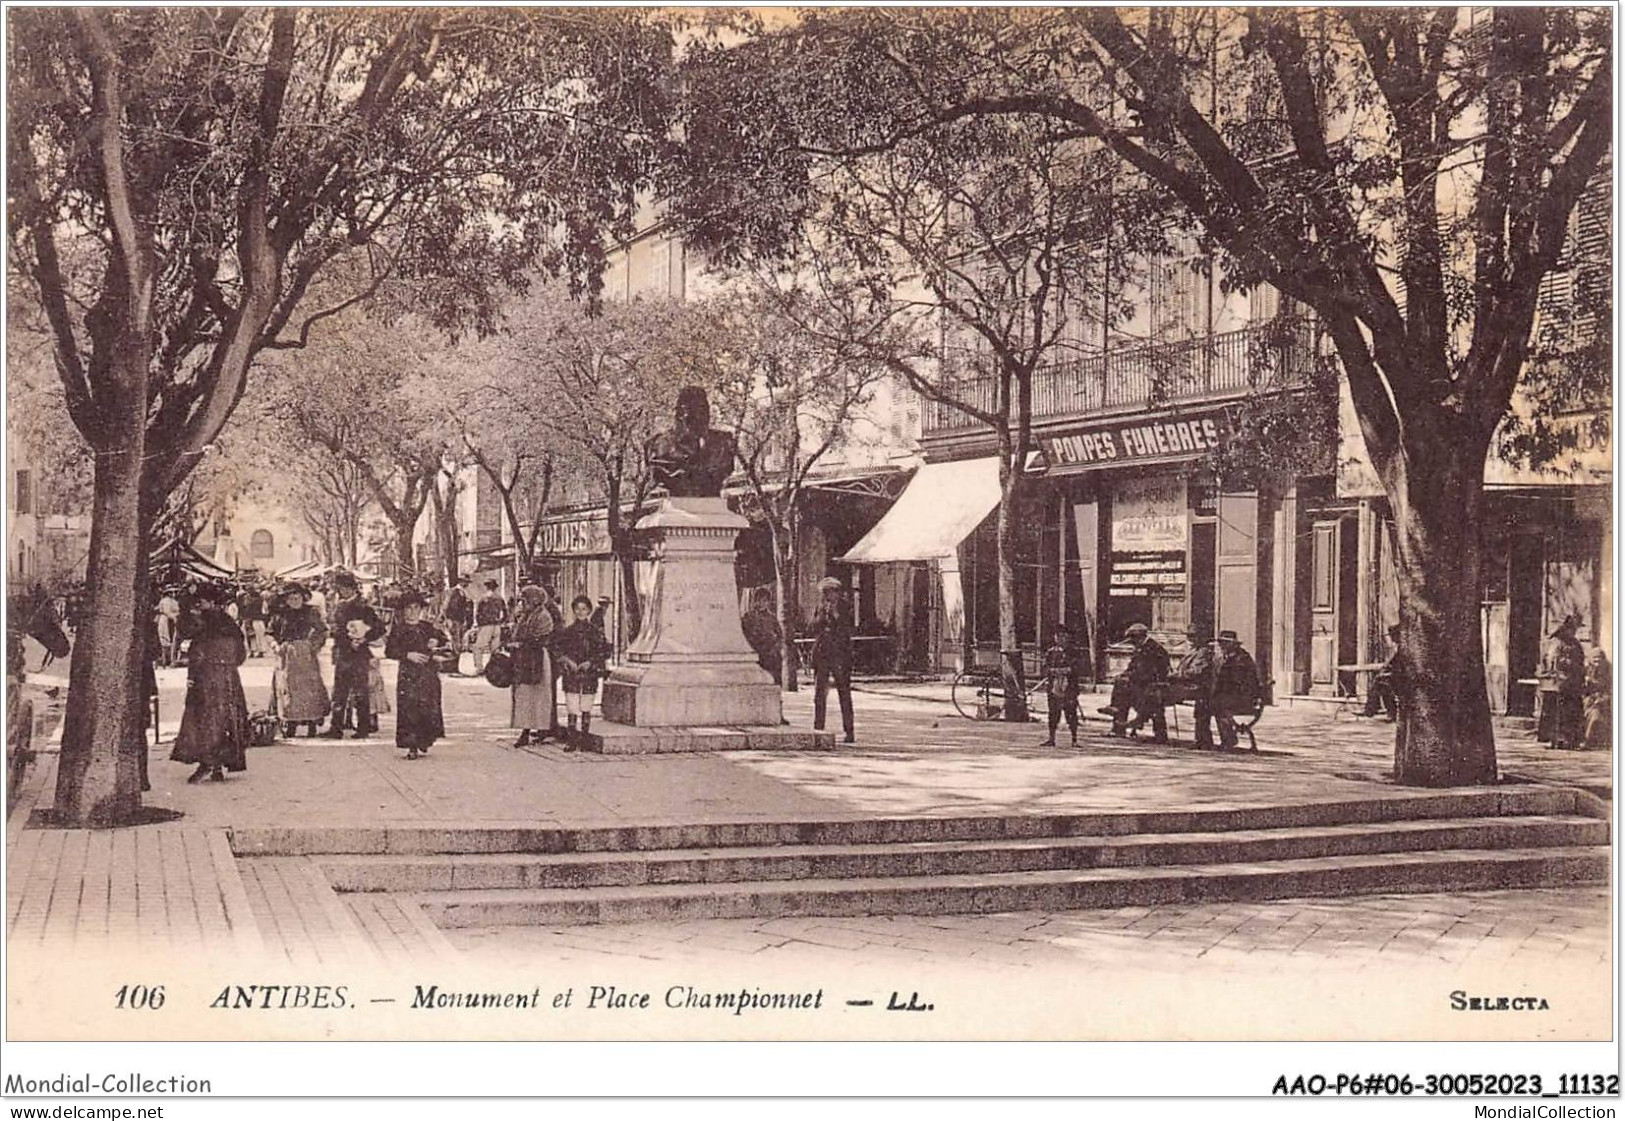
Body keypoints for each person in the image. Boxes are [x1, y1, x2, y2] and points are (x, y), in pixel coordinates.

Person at [169, 584, 249, 783]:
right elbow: (240, 655)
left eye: (202, 602)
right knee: (225, 719)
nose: (200, 605)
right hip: (228, 679)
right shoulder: (229, 623)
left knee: (205, 719)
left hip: (207, 678)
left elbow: (188, 638)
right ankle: (218, 765)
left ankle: (208, 762)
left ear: (211, 602)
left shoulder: (202, 622)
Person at [384, 593, 447, 760]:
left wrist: (436, 642)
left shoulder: (428, 627)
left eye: (416, 608)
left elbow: (444, 640)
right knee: (409, 708)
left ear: (421, 610)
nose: (412, 612)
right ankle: (411, 744)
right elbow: (390, 651)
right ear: (403, 611)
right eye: (409, 609)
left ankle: (424, 739)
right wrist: (407, 655)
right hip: (408, 674)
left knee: (427, 707)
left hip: (428, 674)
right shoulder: (399, 629)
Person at [323, 572, 383, 739]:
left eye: (346, 588)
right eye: (341, 588)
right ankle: (336, 727)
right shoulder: (339, 605)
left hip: (358, 653)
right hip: (343, 651)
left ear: (353, 588)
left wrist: (364, 638)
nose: (343, 591)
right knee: (339, 692)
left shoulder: (363, 607)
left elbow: (379, 628)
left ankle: (363, 728)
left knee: (360, 693)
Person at [553, 595, 612, 750]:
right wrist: (567, 661)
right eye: (577, 609)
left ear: (589, 611)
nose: (580, 612)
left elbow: (604, 651)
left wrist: (590, 662)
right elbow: (558, 650)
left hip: (589, 673)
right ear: (573, 611)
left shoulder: (595, 632)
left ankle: (584, 739)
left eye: (584, 609)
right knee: (572, 705)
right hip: (571, 673)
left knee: (586, 705)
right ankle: (572, 740)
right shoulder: (567, 632)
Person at [270, 585, 330, 737]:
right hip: (286, 656)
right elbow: (270, 633)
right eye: (290, 598)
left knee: (309, 689)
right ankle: (290, 724)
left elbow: (322, 631)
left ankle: (311, 723)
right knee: (287, 688)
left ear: (304, 598)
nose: (294, 601)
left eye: (297, 598)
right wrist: (275, 645)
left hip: (305, 655)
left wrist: (313, 645)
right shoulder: (280, 615)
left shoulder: (311, 612)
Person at [1103, 623, 1169, 742]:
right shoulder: (1141, 648)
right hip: (1142, 682)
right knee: (1121, 684)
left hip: (1153, 683)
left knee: (1123, 689)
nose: (1132, 643)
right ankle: (1118, 721)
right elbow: (1132, 667)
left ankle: (1117, 716)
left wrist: (1130, 677)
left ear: (1139, 637)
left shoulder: (1153, 648)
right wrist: (1125, 674)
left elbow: (1148, 671)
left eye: (1133, 639)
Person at [509, 584, 556, 748]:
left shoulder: (543, 617)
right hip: (525, 660)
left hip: (538, 659)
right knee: (524, 695)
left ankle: (539, 729)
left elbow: (540, 639)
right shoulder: (525, 616)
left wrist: (520, 645)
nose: (523, 603)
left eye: (525, 600)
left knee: (539, 695)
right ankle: (525, 730)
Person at [809, 577, 855, 744]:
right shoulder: (820, 607)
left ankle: (849, 731)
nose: (829, 596)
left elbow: (848, 628)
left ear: (837, 592)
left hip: (840, 656)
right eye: (826, 593)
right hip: (822, 655)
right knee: (819, 694)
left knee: (844, 693)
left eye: (832, 592)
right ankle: (818, 729)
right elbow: (813, 627)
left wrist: (836, 615)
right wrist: (822, 616)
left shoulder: (845, 607)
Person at [1539, 614, 1586, 750]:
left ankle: (1570, 740)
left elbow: (1579, 663)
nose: (1573, 632)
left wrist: (1576, 671)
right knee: (1556, 712)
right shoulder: (1554, 644)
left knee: (1570, 712)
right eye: (1571, 629)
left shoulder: (1575, 645)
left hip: (1572, 683)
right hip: (1557, 683)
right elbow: (1549, 661)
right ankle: (1555, 740)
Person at [1211, 629, 1262, 751]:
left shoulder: (1241, 658)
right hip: (1231, 696)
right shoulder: (1225, 657)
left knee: (1218, 705)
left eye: (1224, 643)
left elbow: (1240, 682)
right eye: (1220, 643)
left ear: (1232, 644)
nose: (1221, 646)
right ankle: (1208, 739)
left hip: (1243, 698)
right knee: (1208, 704)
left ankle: (1228, 739)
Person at [1169, 624, 1218, 749]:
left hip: (1197, 687)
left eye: (1194, 636)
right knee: (1156, 691)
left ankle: (1155, 728)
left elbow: (1196, 671)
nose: (1190, 639)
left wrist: (1176, 675)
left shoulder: (1204, 652)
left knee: (1156, 693)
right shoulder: (1194, 650)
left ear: (1202, 637)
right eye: (1189, 636)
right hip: (1190, 685)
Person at [1038, 625, 1083, 748]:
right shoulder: (1051, 652)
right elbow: (1045, 668)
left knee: (1071, 713)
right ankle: (1051, 738)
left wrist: (1067, 671)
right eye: (1058, 636)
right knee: (1053, 713)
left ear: (1068, 637)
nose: (1060, 639)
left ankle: (1074, 739)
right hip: (1054, 686)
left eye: (1063, 636)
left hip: (1070, 687)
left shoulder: (1073, 652)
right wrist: (1052, 671)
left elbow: (1078, 668)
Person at [741, 589, 785, 685]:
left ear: (768, 602)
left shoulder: (772, 618)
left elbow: (780, 636)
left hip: (771, 654)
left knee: (775, 681)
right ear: (754, 602)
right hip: (757, 654)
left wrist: (776, 648)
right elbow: (745, 635)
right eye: (759, 600)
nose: (761, 603)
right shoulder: (748, 617)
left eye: (764, 601)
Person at [1361, 625, 1401, 720]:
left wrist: (1386, 672)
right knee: (1382, 684)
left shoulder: (1401, 649)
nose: (1391, 638)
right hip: (1395, 677)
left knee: (1380, 682)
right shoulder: (1396, 648)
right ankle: (1388, 711)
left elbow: (1398, 668)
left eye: (1393, 636)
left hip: (1402, 678)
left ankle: (1371, 708)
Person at [471, 579, 508, 675]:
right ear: (495, 587)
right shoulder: (500, 598)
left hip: (486, 625)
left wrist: (478, 625)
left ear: (486, 587)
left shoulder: (483, 598)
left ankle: (479, 668)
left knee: (478, 647)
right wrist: (501, 622)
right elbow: (505, 613)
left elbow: (478, 613)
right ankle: (494, 669)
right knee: (495, 649)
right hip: (496, 625)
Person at [442, 576, 473, 670]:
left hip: (459, 620)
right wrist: (448, 620)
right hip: (454, 620)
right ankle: (454, 666)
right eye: (466, 582)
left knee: (458, 643)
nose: (467, 584)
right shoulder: (454, 591)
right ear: (461, 582)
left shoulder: (463, 592)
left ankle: (455, 665)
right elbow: (446, 606)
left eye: (468, 582)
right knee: (455, 643)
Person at [1583, 647, 1611, 751]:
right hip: (1588, 699)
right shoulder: (1586, 670)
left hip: (1604, 700)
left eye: (1599, 661)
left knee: (1596, 714)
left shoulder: (1609, 671)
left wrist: (1603, 698)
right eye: (1594, 661)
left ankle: (1589, 740)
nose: (1597, 664)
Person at [238, 583, 267, 658]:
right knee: (253, 636)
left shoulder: (248, 599)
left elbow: (245, 609)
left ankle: (256, 651)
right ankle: (255, 651)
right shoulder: (258, 599)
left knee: (253, 636)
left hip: (252, 619)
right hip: (254, 619)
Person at [155, 587, 182, 667]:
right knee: (165, 639)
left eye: (174, 592)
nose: (173, 594)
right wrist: (174, 617)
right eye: (171, 592)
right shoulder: (166, 601)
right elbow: (167, 611)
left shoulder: (174, 601)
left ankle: (171, 659)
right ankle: (165, 660)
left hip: (172, 621)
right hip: (166, 620)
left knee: (173, 640)